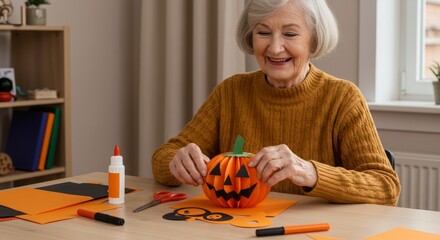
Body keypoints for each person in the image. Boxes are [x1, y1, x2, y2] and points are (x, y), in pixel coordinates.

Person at [152, 0, 401, 206]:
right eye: (263, 32)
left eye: (290, 34)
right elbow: (162, 158)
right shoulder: (230, 92)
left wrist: (311, 173)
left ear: (314, 39)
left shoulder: (343, 98)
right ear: (251, 37)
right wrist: (176, 162)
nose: (275, 47)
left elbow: (386, 187)